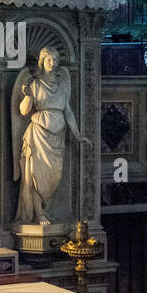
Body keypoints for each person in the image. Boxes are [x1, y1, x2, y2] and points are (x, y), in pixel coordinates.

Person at [11, 47, 89, 225]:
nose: (52, 63)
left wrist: (77, 135)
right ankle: (39, 213)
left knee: (54, 176)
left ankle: (45, 210)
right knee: (36, 174)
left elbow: (67, 111)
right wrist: (28, 96)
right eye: (48, 60)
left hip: (57, 135)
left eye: (55, 60)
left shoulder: (63, 83)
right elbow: (23, 112)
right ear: (42, 61)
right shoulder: (34, 83)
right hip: (38, 133)